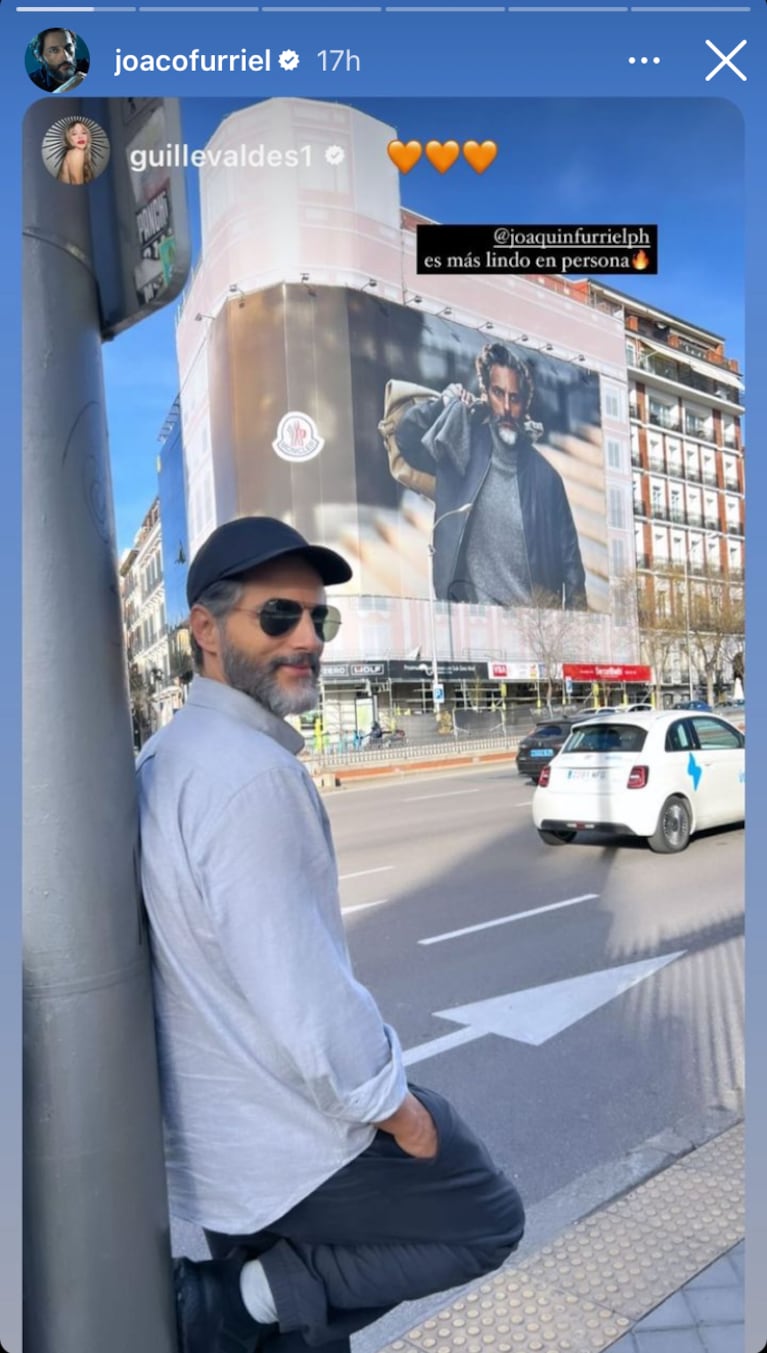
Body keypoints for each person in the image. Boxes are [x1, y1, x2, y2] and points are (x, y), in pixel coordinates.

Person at [136, 516, 525, 1353]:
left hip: (227, 1153)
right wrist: (395, 1109)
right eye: (279, 616)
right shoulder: (247, 780)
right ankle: (228, 1305)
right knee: (485, 1217)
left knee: (304, 1333)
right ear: (206, 629)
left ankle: (253, 1301)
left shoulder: (170, 758)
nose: (308, 637)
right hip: (291, 1148)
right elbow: (305, 994)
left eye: (321, 618)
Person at [394, 342, 588, 609]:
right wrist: (441, 405)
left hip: (533, 631)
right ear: (485, 393)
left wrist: (574, 637)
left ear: (525, 402)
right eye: (499, 393)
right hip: (469, 622)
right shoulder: (461, 447)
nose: (507, 407)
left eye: (515, 397)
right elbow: (406, 440)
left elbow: (572, 570)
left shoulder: (547, 479)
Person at [56, 121, 94, 185]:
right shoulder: (77, 153)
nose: (80, 137)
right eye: (74, 134)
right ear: (69, 138)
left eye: (84, 132)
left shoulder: (74, 153)